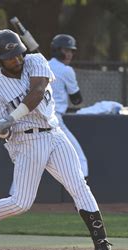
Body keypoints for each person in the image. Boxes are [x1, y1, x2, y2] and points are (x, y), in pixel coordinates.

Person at [0, 29, 112, 250]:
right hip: (26, 142)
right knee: (21, 203)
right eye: (11, 58)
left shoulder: (36, 60)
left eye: (19, 54)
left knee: (79, 185)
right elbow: (4, 133)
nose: (18, 60)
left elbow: (38, 91)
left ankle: (102, 244)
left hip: (55, 133)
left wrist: (10, 118)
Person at [48, 34, 89, 179]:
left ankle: (14, 195)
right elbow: (77, 99)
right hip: (55, 120)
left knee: (31, 162)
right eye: (66, 50)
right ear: (57, 50)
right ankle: (84, 195)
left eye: (71, 51)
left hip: (37, 118)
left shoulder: (43, 66)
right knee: (79, 157)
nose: (70, 54)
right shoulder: (66, 70)